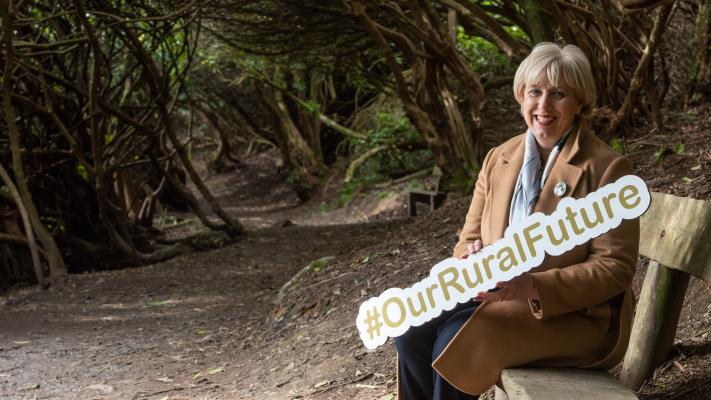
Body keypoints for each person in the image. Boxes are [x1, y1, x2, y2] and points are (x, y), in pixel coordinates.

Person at [394, 42, 640, 400]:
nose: (543, 106)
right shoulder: (498, 158)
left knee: (457, 339)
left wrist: (532, 286)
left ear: (579, 101)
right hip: (496, 296)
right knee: (410, 330)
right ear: (521, 96)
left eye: (558, 94)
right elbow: (467, 238)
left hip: (573, 317)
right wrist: (469, 253)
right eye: (534, 92)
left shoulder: (607, 169)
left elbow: (614, 268)